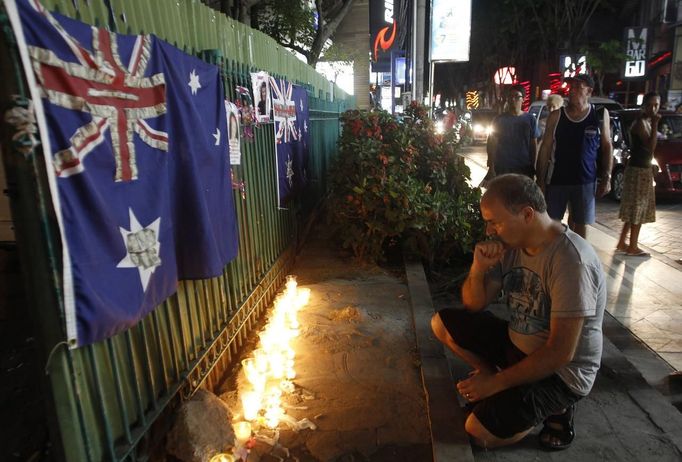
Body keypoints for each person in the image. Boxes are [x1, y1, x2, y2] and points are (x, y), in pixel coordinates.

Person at [431, 174, 606, 450]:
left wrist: (495, 384)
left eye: (494, 222)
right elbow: (474, 305)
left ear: (526, 214)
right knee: (441, 323)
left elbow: (561, 353)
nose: (489, 231)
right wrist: (478, 268)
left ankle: (554, 408)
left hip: (561, 373)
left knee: (476, 432)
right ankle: (502, 385)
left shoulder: (571, 261)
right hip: (519, 343)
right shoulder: (512, 247)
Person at [536, 74, 613, 239]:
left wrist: (607, 176)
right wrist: (540, 181)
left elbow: (607, 147)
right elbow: (545, 149)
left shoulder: (599, 115)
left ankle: (578, 260)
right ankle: (550, 260)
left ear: (589, 91)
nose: (572, 91)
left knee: (581, 225)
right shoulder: (556, 116)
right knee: (551, 225)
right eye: (571, 87)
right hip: (557, 181)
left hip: (585, 181)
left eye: (578, 87)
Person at [616, 92, 660, 257]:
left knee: (635, 208)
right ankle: (632, 245)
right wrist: (655, 124)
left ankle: (622, 242)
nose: (653, 109)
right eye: (650, 105)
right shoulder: (641, 123)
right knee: (637, 209)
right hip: (638, 170)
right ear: (644, 106)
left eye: (656, 105)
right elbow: (650, 147)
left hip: (642, 168)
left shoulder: (645, 122)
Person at [486, 85, 540, 178]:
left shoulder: (530, 119)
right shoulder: (499, 120)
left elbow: (533, 145)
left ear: (523, 98)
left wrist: (533, 166)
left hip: (524, 168)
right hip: (503, 168)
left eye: (517, 96)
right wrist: (491, 167)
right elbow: (492, 144)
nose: (513, 99)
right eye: (510, 96)